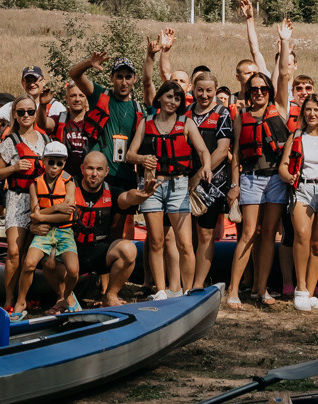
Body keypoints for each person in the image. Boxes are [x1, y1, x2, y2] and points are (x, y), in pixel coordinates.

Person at [123, 80, 212, 299]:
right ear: (160, 98)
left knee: (185, 243)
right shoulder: (147, 122)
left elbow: (202, 151)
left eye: (178, 98)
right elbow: (129, 154)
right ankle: (161, 291)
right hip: (152, 185)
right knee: (156, 240)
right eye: (169, 96)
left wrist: (206, 167)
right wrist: (143, 158)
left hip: (179, 186)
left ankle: (187, 291)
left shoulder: (186, 123)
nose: (173, 101)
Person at [226, 73, 289, 307]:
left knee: (270, 233)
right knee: (249, 233)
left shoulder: (280, 109)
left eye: (263, 88)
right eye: (254, 89)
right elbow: (237, 155)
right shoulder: (242, 117)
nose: (259, 92)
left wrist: (283, 41)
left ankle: (261, 290)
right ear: (248, 92)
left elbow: (284, 73)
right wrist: (235, 185)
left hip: (276, 179)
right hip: (251, 178)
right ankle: (233, 289)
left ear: (270, 90)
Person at [279, 91, 318, 311]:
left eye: (316, 110)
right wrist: (289, 177)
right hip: (302, 189)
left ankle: (310, 292)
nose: (312, 113)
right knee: (302, 237)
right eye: (308, 109)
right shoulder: (296, 135)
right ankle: (300, 288)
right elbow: (283, 166)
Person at [0, 94, 50, 314]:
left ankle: (26, 298)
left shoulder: (47, 141)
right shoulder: (10, 141)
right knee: (14, 252)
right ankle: (9, 299)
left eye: (30, 111)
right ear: (14, 114)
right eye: (21, 112)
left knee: (30, 253)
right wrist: (14, 168)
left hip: (40, 201)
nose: (26, 115)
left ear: (35, 114)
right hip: (17, 198)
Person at [182, 63, 235, 293]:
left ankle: (198, 283)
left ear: (215, 91)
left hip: (211, 184)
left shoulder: (223, 113)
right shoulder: (185, 113)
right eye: (200, 90)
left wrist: (198, 177)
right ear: (193, 89)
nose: (204, 95)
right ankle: (184, 281)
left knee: (205, 233)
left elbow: (223, 150)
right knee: (186, 234)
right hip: (185, 181)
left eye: (209, 91)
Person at [16, 142, 80, 315]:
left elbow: (66, 215)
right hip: (43, 231)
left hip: (64, 231)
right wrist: (56, 208)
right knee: (28, 264)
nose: (55, 167)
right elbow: (34, 211)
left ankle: (67, 296)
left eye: (60, 163)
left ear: (65, 163)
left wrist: (41, 216)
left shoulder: (69, 182)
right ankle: (20, 302)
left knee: (73, 270)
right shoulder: (35, 184)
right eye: (51, 161)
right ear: (44, 160)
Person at [70, 150, 140, 304]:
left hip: (99, 252)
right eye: (90, 168)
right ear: (82, 169)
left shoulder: (112, 192)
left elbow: (127, 197)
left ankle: (110, 295)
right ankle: (62, 298)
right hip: (72, 251)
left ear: (106, 172)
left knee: (128, 249)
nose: (94, 174)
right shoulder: (70, 188)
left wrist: (140, 195)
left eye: (99, 169)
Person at [70, 51, 145, 194]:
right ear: (111, 78)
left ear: (135, 79)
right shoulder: (99, 95)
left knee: (122, 216)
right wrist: (89, 63)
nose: (124, 82)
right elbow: (74, 74)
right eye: (119, 77)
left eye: (128, 77)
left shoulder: (139, 109)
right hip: (100, 176)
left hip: (126, 175)